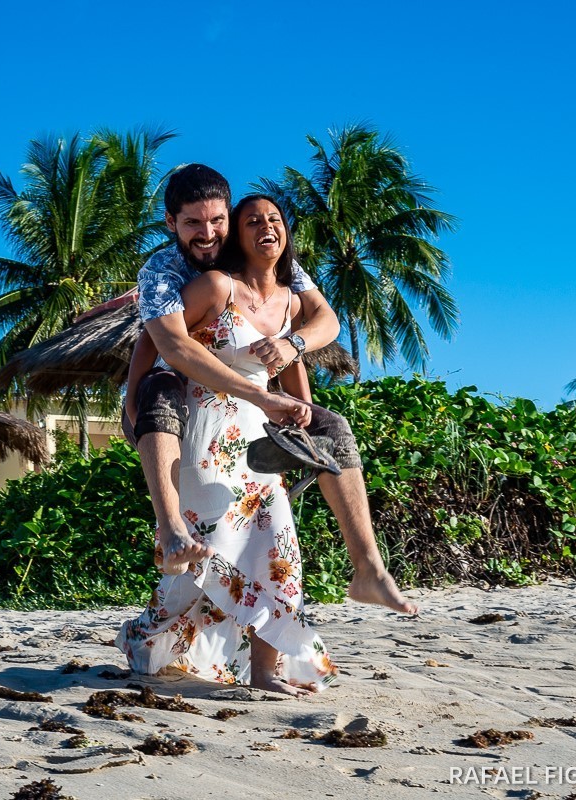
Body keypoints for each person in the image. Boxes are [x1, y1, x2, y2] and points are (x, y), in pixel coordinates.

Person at [124, 164, 416, 615]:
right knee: (160, 388)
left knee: (332, 427)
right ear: (170, 223)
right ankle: (170, 532)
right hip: (183, 384)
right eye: (192, 224)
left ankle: (369, 569)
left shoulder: (267, 262)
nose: (207, 234)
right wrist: (131, 396)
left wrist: (295, 366)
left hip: (252, 398)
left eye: (217, 221)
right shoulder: (163, 269)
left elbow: (322, 320)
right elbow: (163, 342)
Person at [117, 195, 339, 694]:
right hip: (205, 431)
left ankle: (264, 670)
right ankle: (144, 638)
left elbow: (304, 344)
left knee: (277, 547)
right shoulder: (213, 284)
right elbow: (156, 342)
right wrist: (134, 402)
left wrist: (299, 407)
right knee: (207, 554)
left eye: (274, 220)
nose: (265, 228)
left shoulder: (288, 287)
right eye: (252, 222)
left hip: (259, 432)